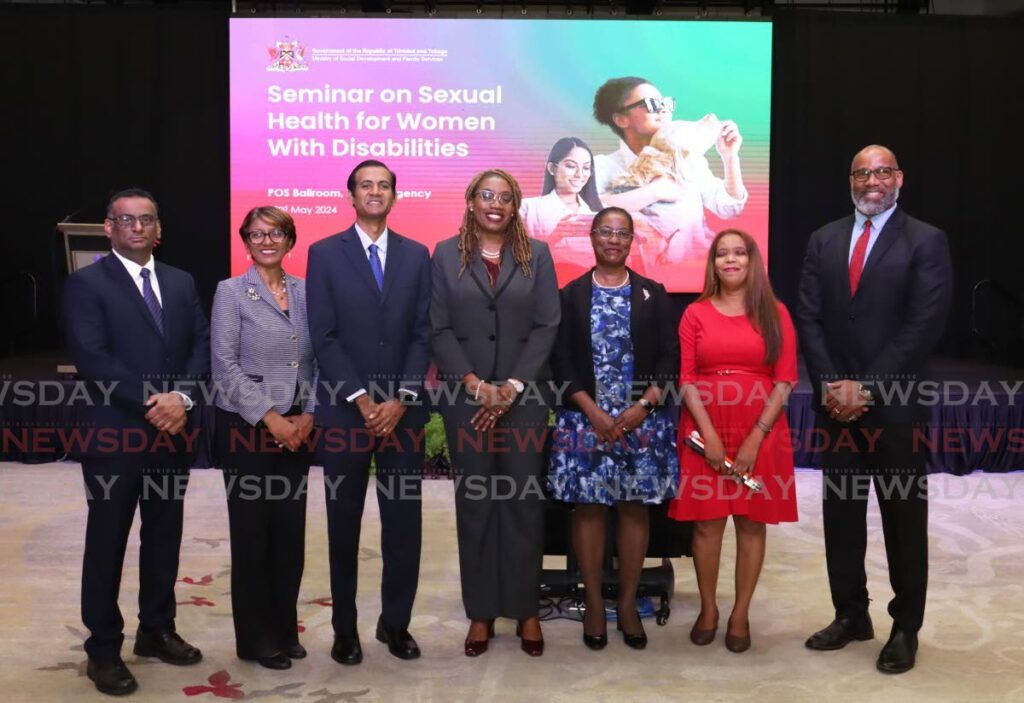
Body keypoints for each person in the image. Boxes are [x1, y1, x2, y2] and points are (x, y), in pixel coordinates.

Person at [797, 145, 952, 674]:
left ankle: (905, 626)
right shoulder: (824, 239)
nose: (872, 180)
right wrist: (830, 385)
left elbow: (924, 324)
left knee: (903, 520)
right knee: (841, 517)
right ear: (850, 180)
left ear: (899, 178)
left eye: (882, 171)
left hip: (895, 408)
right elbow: (809, 318)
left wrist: (865, 387)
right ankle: (850, 615)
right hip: (835, 407)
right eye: (862, 172)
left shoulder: (926, 240)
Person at [63, 188, 210, 696]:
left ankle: (156, 630)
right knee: (108, 543)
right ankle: (103, 648)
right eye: (126, 220)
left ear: (159, 229)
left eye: (147, 220)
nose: (138, 228)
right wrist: (158, 402)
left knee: (164, 537)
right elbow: (93, 359)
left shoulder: (180, 280)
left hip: (173, 437)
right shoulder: (86, 284)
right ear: (108, 227)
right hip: (115, 434)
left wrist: (184, 400)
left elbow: (201, 347)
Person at [306, 160, 432, 665]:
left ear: (394, 196)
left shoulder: (417, 255)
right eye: (365, 185)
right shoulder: (323, 254)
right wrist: (360, 398)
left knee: (404, 524)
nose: (374, 192)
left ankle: (394, 624)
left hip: (403, 415)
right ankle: (345, 629)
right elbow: (325, 335)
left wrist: (400, 398)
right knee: (344, 524)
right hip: (344, 412)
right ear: (351, 196)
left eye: (383, 185)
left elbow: (423, 333)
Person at [431, 169, 560, 657]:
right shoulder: (445, 255)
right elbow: (438, 328)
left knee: (524, 506)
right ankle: (482, 612)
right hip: (467, 401)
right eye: (486, 195)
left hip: (523, 401)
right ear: (470, 201)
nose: (495, 204)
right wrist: (474, 385)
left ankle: (526, 609)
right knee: (477, 504)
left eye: (505, 198)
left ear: (515, 206)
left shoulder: (538, 255)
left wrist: (510, 387)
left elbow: (548, 323)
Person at [548, 206, 680, 651]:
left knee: (633, 509)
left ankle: (626, 605)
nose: (613, 239)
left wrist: (645, 405)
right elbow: (560, 360)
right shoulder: (569, 295)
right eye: (605, 231)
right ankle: (593, 603)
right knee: (588, 510)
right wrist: (592, 411)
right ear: (592, 236)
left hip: (640, 424)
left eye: (622, 233)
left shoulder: (653, 294)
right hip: (585, 423)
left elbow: (669, 356)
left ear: (631, 241)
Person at [668, 228, 799, 654]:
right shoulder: (695, 313)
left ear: (751, 260)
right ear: (713, 263)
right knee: (707, 524)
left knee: (750, 521)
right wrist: (707, 434)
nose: (730, 260)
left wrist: (754, 439)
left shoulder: (775, 312)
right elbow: (686, 378)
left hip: (760, 428)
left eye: (739, 252)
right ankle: (709, 609)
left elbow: (784, 380)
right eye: (722, 253)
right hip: (705, 425)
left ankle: (740, 614)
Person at [211, 206, 316, 670]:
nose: (266, 240)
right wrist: (271, 418)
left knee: (289, 535)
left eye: (275, 233)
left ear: (289, 240)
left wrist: (308, 416)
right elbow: (225, 367)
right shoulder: (231, 292)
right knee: (253, 536)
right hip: (249, 430)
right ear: (246, 241)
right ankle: (256, 639)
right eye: (257, 234)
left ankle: (284, 628)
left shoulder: (308, 292)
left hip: (299, 430)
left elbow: (315, 362)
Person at [591, 76, 747, 260]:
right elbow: (582, 212)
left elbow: (729, 209)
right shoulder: (602, 166)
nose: (664, 109)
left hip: (693, 274)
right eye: (652, 104)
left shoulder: (688, 161)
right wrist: (654, 191)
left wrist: (730, 158)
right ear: (621, 119)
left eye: (665, 103)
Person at [519, 137, 603, 280]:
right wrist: (555, 237)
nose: (580, 174)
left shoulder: (597, 214)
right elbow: (514, 259)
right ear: (552, 168)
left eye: (586, 168)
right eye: (571, 166)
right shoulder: (528, 209)